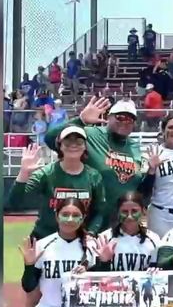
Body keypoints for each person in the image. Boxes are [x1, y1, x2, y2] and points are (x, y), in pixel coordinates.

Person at [15, 198, 93, 307]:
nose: (70, 219)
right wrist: (29, 266)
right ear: (56, 216)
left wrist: (99, 264)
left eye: (75, 215)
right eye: (65, 214)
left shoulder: (91, 247)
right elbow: (29, 287)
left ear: (83, 218)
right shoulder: (43, 245)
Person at [44, 97, 141, 232]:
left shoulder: (135, 147)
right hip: (90, 219)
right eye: (120, 117)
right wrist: (80, 120)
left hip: (123, 221)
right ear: (109, 117)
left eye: (130, 119)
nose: (124, 122)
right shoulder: (91, 134)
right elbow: (50, 138)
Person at [7, 128, 105, 239]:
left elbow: (99, 211)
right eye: (67, 142)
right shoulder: (46, 173)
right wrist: (23, 173)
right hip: (45, 238)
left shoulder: (94, 176)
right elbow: (14, 203)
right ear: (60, 146)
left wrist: (91, 233)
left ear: (85, 146)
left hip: (79, 241)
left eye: (78, 141)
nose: (73, 145)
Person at [92, 191, 161, 272]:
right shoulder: (105, 239)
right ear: (118, 212)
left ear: (144, 211)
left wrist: (155, 270)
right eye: (124, 211)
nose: (129, 216)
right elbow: (96, 277)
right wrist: (104, 261)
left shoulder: (154, 239)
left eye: (134, 211)